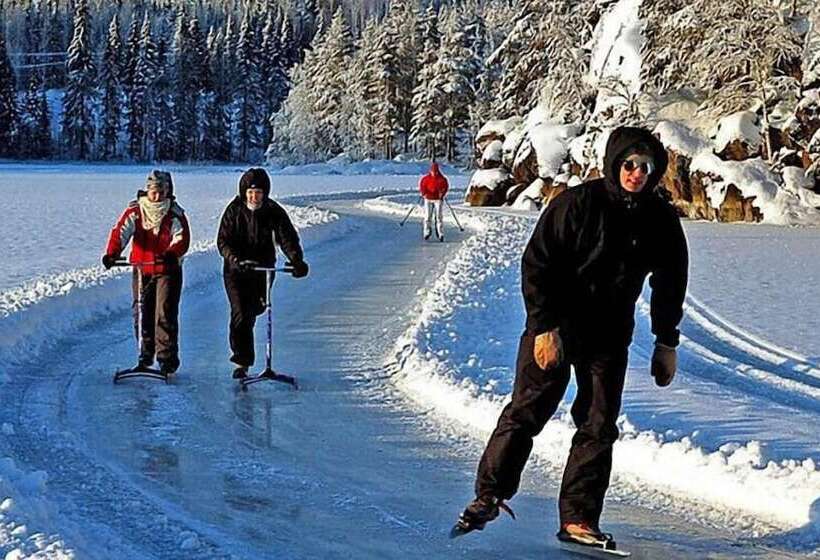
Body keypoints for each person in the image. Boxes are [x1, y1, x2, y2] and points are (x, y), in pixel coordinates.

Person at [453, 127, 689, 547]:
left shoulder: (659, 218)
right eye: (629, 164)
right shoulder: (578, 204)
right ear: (615, 164)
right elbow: (537, 265)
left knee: (598, 425)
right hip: (556, 327)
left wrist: (666, 342)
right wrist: (544, 327)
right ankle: (489, 494)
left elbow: (670, 283)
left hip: (609, 335)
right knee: (528, 411)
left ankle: (579, 518)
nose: (636, 173)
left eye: (645, 167)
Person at [216, 168, 309, 379]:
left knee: (256, 309)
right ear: (244, 192)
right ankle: (242, 361)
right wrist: (235, 260)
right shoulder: (234, 210)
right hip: (236, 270)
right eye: (250, 192)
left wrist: (296, 260)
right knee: (240, 312)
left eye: (258, 192)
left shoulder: (273, 211)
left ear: (265, 193)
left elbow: (287, 238)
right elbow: (223, 241)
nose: (253, 197)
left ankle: (255, 361)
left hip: (263, 269)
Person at [102, 170, 191, 375]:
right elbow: (121, 232)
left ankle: (166, 359)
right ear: (147, 191)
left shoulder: (174, 213)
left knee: (164, 312)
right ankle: (145, 356)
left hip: (168, 270)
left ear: (168, 192)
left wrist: (171, 253)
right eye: (153, 192)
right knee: (141, 311)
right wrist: (112, 253)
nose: (156, 196)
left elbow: (182, 238)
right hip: (142, 269)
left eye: (161, 192)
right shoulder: (136, 211)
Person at [418, 161, 449, 241]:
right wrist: (424, 193)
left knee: (439, 216)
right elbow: (422, 186)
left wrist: (442, 193)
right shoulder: (426, 179)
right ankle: (427, 231)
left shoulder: (442, 179)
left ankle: (440, 232)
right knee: (428, 216)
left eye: (435, 171)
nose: (434, 173)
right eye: (432, 171)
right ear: (430, 171)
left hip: (438, 200)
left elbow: (445, 187)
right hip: (428, 199)